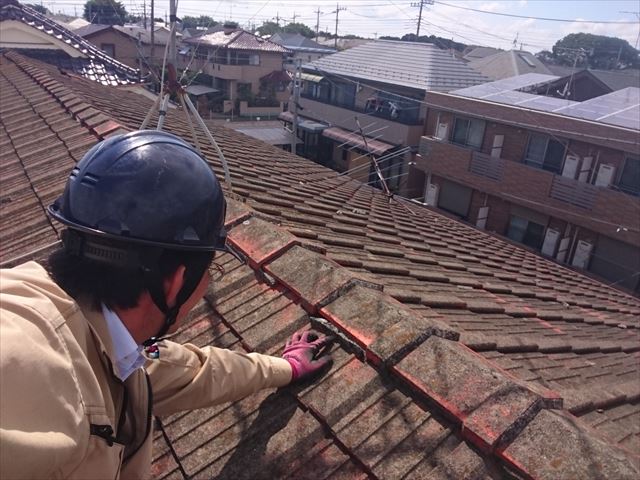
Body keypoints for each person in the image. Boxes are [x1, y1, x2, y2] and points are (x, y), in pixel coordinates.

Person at [0, 130, 333, 479]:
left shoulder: (113, 345)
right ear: (176, 282)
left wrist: (285, 368)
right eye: (211, 272)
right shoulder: (35, 366)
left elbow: (187, 368)